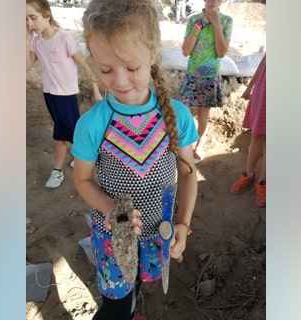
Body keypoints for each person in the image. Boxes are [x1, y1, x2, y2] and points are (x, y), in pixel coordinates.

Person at [72, 0, 199, 318]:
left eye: (132, 67)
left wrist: (182, 223)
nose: (120, 81)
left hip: (158, 229)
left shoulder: (178, 116)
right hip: (114, 233)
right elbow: (83, 180)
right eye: (105, 69)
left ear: (153, 55)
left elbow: (187, 174)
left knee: (137, 284)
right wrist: (112, 210)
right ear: (93, 62)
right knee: (114, 303)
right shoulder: (91, 125)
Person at [26, 0, 102, 189]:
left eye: (33, 17)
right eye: (25, 20)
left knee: (63, 134)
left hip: (66, 96)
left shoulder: (64, 39)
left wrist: (96, 91)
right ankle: (80, 156)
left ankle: (59, 170)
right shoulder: (36, 42)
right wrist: (27, 40)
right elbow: (27, 66)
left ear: (46, 15)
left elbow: (85, 65)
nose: (29, 24)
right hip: (49, 95)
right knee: (66, 131)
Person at [176, 0, 232, 164]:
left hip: (210, 75)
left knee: (203, 115)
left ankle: (199, 146)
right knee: (183, 111)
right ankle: (183, 144)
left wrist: (216, 24)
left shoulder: (227, 21)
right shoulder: (193, 19)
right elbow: (186, 51)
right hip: (192, 74)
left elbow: (221, 52)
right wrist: (198, 27)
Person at [230, 54, 266, 207]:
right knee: (256, 135)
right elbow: (265, 59)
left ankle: (263, 183)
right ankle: (248, 174)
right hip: (264, 89)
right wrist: (250, 86)